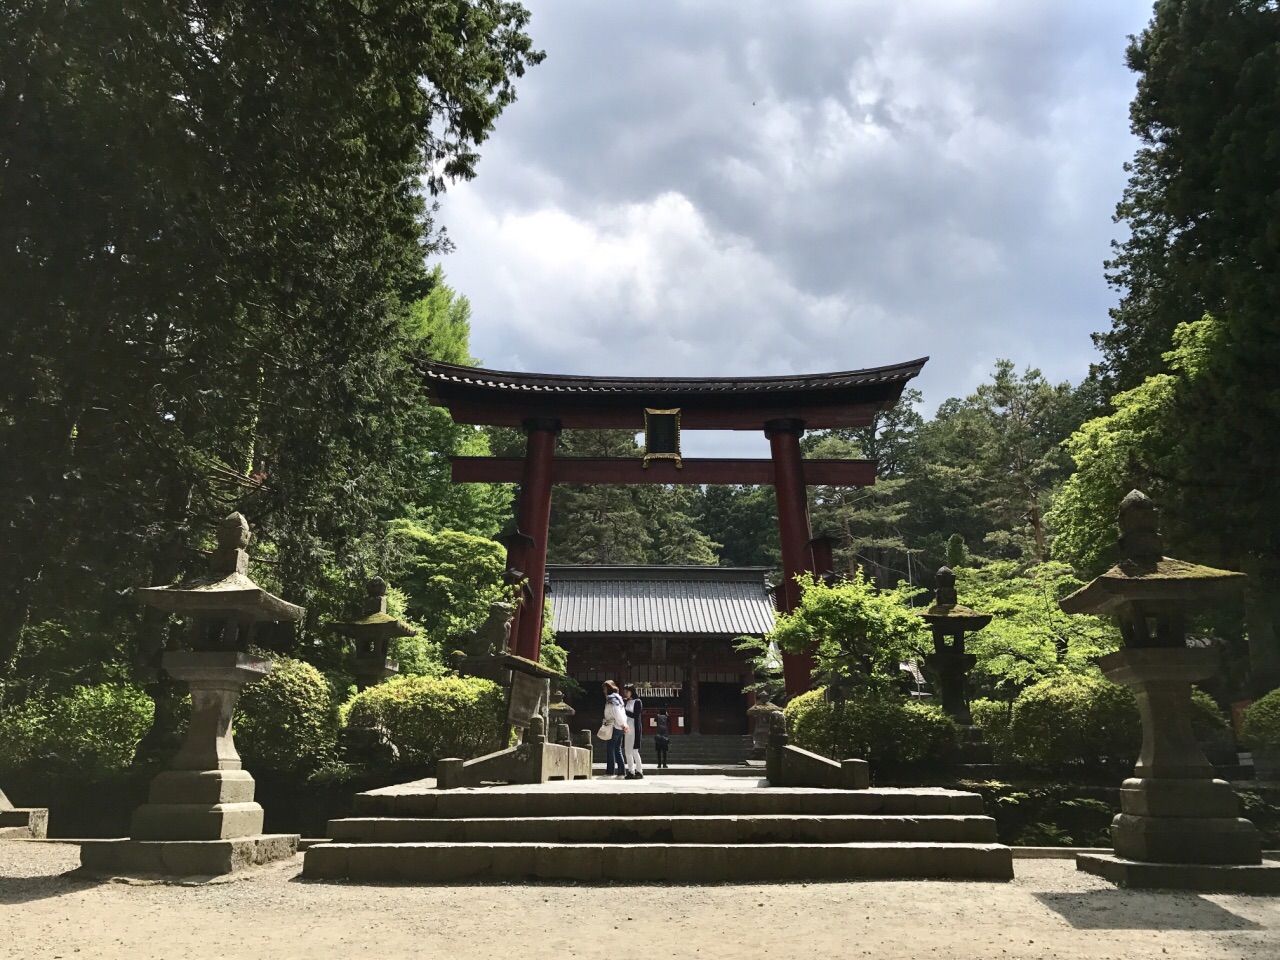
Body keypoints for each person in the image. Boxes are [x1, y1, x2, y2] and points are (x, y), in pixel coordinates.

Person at [602, 680, 628, 778]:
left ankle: (610, 772)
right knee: (618, 749)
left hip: (614, 726)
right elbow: (622, 712)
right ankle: (621, 772)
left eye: (605, 688)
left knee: (610, 749)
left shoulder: (611, 699)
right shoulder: (619, 698)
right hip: (620, 726)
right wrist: (624, 724)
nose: (604, 690)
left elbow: (616, 712)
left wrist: (622, 724)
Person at [621, 683, 644, 779]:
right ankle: (631, 771)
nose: (626, 693)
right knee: (627, 751)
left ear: (632, 692)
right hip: (627, 728)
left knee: (634, 751)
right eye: (625, 691)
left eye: (627, 691)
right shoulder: (626, 702)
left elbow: (636, 715)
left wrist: (624, 711)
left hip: (634, 728)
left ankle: (639, 771)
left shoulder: (638, 701)